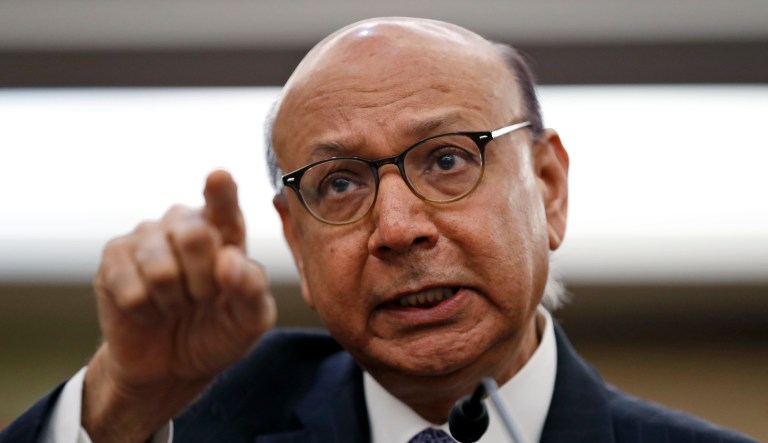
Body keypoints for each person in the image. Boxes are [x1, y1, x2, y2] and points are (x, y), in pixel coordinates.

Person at [1, 17, 757, 443]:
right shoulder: (185, 427)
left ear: (549, 190)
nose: (396, 228)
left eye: (449, 159)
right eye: (338, 183)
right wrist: (123, 396)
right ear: (295, 242)